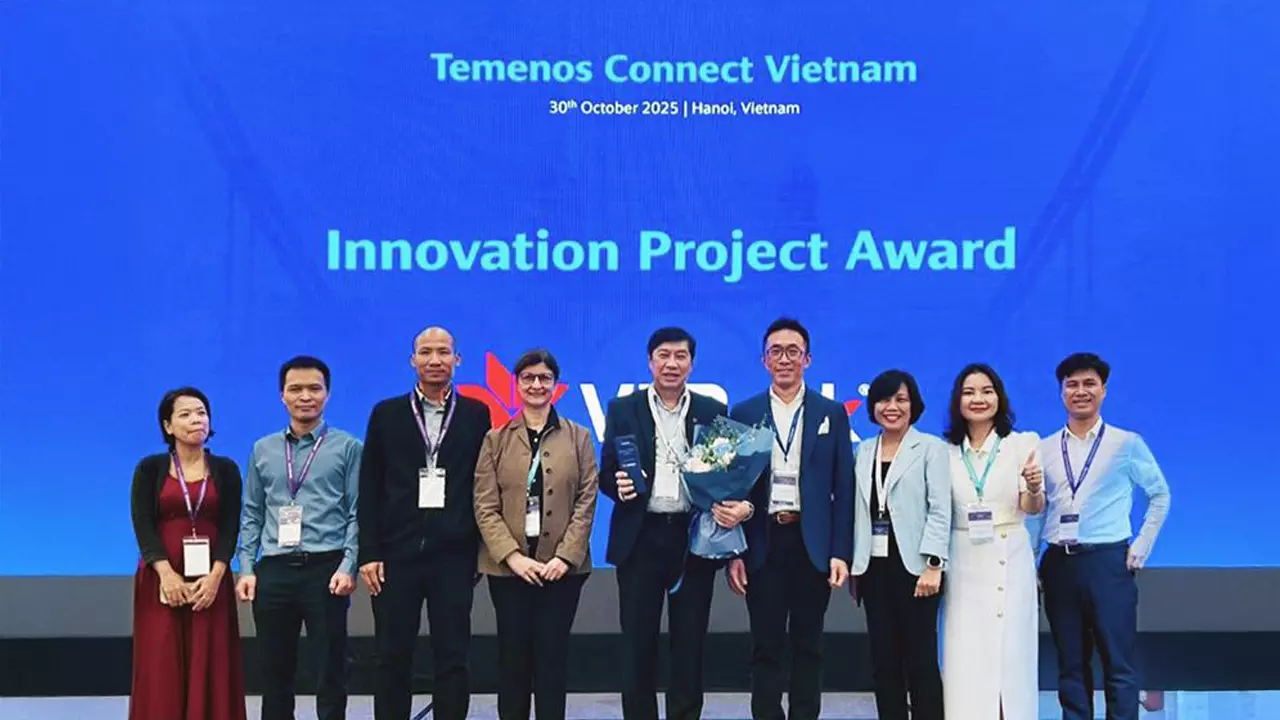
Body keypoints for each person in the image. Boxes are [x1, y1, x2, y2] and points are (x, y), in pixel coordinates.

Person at [598, 326, 737, 720]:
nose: (671, 363)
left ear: (691, 363)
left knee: (689, 643)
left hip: (691, 538)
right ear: (650, 361)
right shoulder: (623, 408)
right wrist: (617, 485)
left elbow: (725, 474)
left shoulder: (712, 410)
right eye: (664, 355)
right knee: (637, 644)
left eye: (680, 356)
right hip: (640, 538)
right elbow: (606, 472)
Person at [358, 326, 492, 720]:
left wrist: (478, 549)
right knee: (391, 654)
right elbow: (370, 485)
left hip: (454, 555)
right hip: (395, 555)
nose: (435, 360)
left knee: (453, 655)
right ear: (412, 360)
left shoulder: (476, 414)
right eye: (426, 352)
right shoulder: (386, 414)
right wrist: (369, 551)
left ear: (457, 360)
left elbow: (483, 485)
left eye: (444, 352)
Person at [726, 318, 853, 720]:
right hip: (762, 542)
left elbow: (844, 488)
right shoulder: (744, 412)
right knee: (765, 645)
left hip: (811, 543)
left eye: (793, 351)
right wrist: (734, 552)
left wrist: (840, 551)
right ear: (764, 360)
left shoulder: (831, 413)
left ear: (807, 359)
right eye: (775, 351)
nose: (784, 359)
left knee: (808, 645)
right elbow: (733, 487)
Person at [1034, 352, 1171, 720]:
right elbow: (1038, 511)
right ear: (1061, 392)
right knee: (1070, 665)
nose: (1080, 391)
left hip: (1108, 562)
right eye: (1072, 385)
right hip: (1059, 563)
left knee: (1119, 663)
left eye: (1089, 384)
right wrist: (1032, 560)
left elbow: (1160, 495)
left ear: (1104, 390)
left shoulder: (1126, 443)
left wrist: (1140, 546)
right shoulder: (1044, 448)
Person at [473, 349, 599, 720]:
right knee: (512, 661)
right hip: (509, 572)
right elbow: (485, 505)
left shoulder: (578, 436)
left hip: (562, 573)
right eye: (528, 378)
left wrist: (565, 557)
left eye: (544, 378)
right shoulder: (495, 439)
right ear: (517, 384)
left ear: (555, 385)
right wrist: (512, 557)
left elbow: (586, 500)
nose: (536, 385)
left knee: (552, 660)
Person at [236, 356, 363, 720]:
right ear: (282, 395)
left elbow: (357, 512)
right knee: (274, 671)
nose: (305, 396)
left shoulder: (348, 447)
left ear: (327, 394)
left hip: (326, 569)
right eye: (296, 389)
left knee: (330, 669)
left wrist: (348, 565)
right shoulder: (263, 449)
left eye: (314, 389)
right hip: (274, 570)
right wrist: (247, 568)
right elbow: (253, 513)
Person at [128, 387, 246, 720]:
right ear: (168, 426)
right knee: (162, 660)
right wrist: (166, 574)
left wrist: (216, 576)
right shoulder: (150, 468)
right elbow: (142, 523)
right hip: (162, 578)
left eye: (202, 413)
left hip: (212, 578)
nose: (197, 419)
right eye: (185, 414)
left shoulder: (226, 469)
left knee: (212, 658)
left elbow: (231, 525)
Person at [940, 363, 1045, 720]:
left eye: (987, 391)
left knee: (1010, 659)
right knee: (966, 659)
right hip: (963, 559)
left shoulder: (1022, 444)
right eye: (969, 392)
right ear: (957, 401)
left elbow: (1032, 507)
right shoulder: (945, 452)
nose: (978, 399)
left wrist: (1034, 488)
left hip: (1009, 555)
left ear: (1000, 397)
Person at [849, 369, 950, 720]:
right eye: (884, 399)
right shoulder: (864, 451)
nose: (891, 407)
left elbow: (941, 509)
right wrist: (854, 564)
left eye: (900, 399)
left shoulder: (931, 448)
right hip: (874, 569)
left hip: (918, 569)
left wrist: (934, 564)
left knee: (921, 661)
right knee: (884, 662)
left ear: (913, 405)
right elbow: (858, 512)